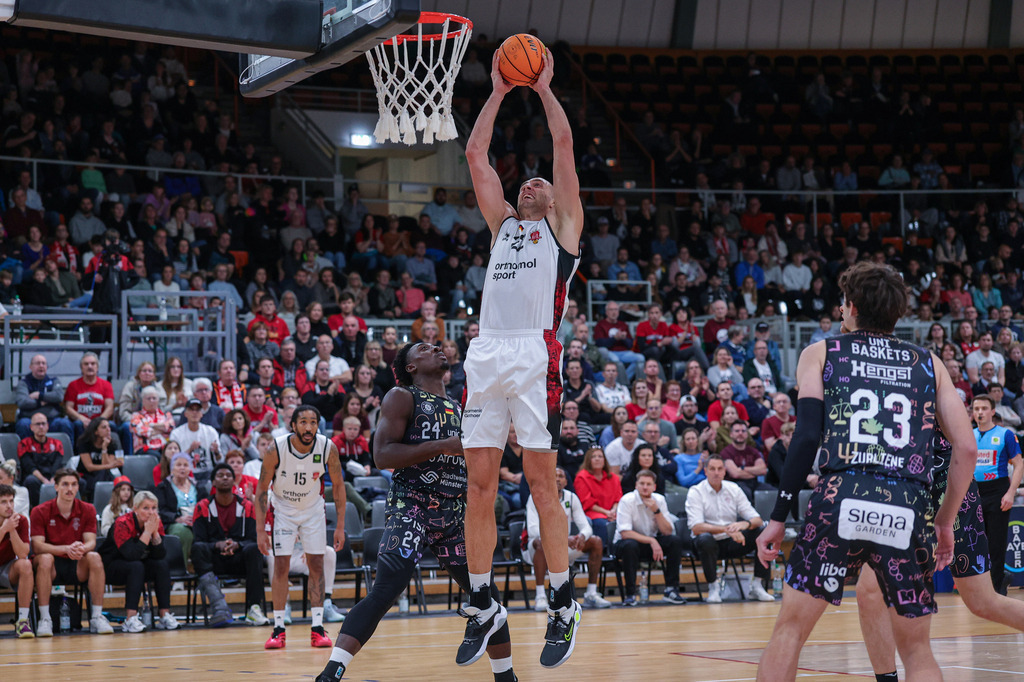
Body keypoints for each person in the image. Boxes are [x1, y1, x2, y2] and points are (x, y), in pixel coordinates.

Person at [756, 262, 978, 681]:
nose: (840, 310)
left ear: (852, 306)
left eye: (842, 303)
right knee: (916, 649)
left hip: (841, 492)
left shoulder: (820, 352)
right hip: (907, 503)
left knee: (789, 630)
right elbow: (966, 448)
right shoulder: (929, 363)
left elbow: (804, 438)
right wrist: (944, 520)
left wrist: (778, 517)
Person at [459, 48, 585, 669]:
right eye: (526, 180)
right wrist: (502, 89)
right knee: (478, 487)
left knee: (541, 482)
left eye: (540, 182)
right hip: (486, 353)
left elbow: (562, 143)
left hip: (536, 351)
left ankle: (562, 600)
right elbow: (475, 156)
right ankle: (482, 604)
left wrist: (542, 88)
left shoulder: (563, 231)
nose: (533, 182)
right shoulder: (503, 226)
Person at [315, 342, 518, 682]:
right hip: (413, 504)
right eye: (425, 348)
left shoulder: (458, 405)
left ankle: (506, 677)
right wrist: (442, 445)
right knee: (387, 589)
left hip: (454, 513)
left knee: (487, 599)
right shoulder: (401, 396)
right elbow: (382, 455)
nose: (437, 348)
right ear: (410, 367)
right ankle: (332, 670)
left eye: (437, 345)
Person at [857, 427, 1024, 682]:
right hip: (894, 479)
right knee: (869, 591)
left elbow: (965, 444)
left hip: (947, 479)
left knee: (982, 601)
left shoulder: (935, 387)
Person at [256, 405, 347, 650]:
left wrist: (340, 526)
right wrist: (260, 530)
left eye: (313, 422)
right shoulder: (276, 448)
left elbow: (338, 486)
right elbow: (261, 489)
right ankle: (278, 629)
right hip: (282, 511)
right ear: (293, 425)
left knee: (317, 564)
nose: (308, 427)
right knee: (281, 565)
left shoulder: (328, 447)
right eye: (303, 422)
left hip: (313, 511)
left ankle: (317, 629)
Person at [30, 469, 114, 636]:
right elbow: (37, 546)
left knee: (94, 557)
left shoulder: (87, 509)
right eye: (65, 484)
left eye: (74, 484)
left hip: (76, 563)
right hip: (51, 565)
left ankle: (97, 617)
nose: (70, 489)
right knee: (45, 558)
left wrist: (82, 548)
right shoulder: (39, 511)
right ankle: (45, 619)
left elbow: (91, 541)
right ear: (56, 487)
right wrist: (65, 549)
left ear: (78, 487)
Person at [686, 454, 773, 603]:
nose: (716, 472)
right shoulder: (696, 491)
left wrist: (744, 524)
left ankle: (757, 586)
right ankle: (713, 587)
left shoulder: (733, 488)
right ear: (705, 471)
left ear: (724, 471)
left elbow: (757, 519)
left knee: (764, 533)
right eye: (712, 469)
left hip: (732, 542)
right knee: (705, 539)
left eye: (720, 469)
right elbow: (696, 527)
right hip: (707, 543)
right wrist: (727, 529)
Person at [192, 463, 268, 628]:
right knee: (197, 549)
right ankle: (219, 606)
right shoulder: (202, 507)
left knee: (255, 549)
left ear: (234, 481)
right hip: (214, 561)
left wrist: (237, 545)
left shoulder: (247, 507)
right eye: (220, 475)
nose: (225, 478)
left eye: (228, 475)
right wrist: (217, 545)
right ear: (213, 482)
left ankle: (253, 609)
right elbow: (198, 540)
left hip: (239, 559)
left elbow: (253, 538)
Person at [526, 466, 611, 612]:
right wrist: (564, 538)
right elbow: (533, 530)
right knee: (539, 543)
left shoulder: (571, 497)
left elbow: (586, 526)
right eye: (554, 475)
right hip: (539, 549)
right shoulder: (535, 497)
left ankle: (591, 593)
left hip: (565, 547)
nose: (557, 479)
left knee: (596, 541)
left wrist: (582, 536)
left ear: (566, 482)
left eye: (561, 476)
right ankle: (540, 595)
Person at [98, 490, 179, 632]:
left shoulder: (155, 522)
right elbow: (131, 555)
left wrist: (154, 533)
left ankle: (164, 615)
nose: (151, 512)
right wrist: (147, 532)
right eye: (146, 508)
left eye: (154, 508)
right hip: (110, 566)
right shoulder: (122, 523)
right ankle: (130, 619)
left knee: (161, 565)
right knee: (135, 566)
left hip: (137, 566)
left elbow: (159, 555)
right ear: (135, 509)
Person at [970, 394, 1023, 594]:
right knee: (976, 541)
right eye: (976, 409)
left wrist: (1010, 493)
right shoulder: (969, 435)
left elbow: (1019, 465)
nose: (980, 412)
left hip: (998, 490)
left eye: (984, 408)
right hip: (975, 491)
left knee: (996, 541)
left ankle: (997, 586)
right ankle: (980, 585)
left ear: (993, 411)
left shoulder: (1005, 435)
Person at [612, 470, 686, 606]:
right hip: (625, 544)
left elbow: (668, 531)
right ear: (636, 485)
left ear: (654, 487)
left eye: (648, 484)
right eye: (642, 483)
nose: (645, 487)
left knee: (674, 542)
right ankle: (630, 594)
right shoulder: (627, 500)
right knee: (630, 545)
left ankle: (671, 590)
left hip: (649, 543)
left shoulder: (659, 500)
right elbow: (625, 533)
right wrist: (652, 541)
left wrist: (657, 511)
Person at [153, 451, 197, 571]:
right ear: (172, 468)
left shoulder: (197, 486)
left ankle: (205, 576)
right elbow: (160, 510)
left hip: (196, 522)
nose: (182, 468)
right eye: (178, 465)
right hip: (174, 522)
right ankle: (179, 571)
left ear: (190, 469)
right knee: (183, 533)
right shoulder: (164, 487)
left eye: (185, 465)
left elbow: (204, 506)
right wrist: (177, 518)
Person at [0, 483, 34, 638]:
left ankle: (22, 621)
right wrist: (3, 530)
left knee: (25, 565)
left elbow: (22, 554)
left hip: (6, 567)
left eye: (11, 501)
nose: (9, 506)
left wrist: (12, 529)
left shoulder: (21, 521)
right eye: (3, 502)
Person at [15, 354, 74, 442]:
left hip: (52, 420)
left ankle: (68, 455)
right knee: (23, 424)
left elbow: (58, 397)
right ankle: (25, 454)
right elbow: (23, 402)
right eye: (38, 363)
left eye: (43, 363)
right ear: (31, 366)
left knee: (65, 423)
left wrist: (39, 395)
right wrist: (42, 402)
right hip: (30, 419)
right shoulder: (23, 383)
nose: (41, 366)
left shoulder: (54, 381)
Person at [573, 447, 622, 545]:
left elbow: (618, 498)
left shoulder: (613, 477)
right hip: (592, 513)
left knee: (623, 522)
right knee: (603, 524)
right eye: (593, 457)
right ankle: (603, 551)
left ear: (604, 460)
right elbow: (587, 501)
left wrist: (613, 511)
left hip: (613, 512)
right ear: (588, 460)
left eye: (600, 456)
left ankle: (618, 551)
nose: (597, 459)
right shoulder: (581, 477)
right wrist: (606, 512)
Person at [17, 412, 66, 507]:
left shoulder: (57, 443)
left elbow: (57, 465)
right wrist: (44, 481)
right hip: (35, 477)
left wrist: (53, 479)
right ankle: (37, 508)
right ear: (31, 427)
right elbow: (30, 467)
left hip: (53, 476)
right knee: (31, 481)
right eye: (38, 424)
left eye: (43, 424)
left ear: (48, 426)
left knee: (76, 481)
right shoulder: (24, 444)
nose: (41, 427)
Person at [76, 418, 124, 502]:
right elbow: (89, 467)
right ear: (96, 432)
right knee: (101, 476)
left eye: (109, 426)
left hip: (103, 475)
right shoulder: (84, 443)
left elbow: (107, 467)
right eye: (104, 427)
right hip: (86, 475)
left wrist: (104, 448)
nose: (108, 429)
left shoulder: (111, 443)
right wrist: (108, 465)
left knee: (104, 474)